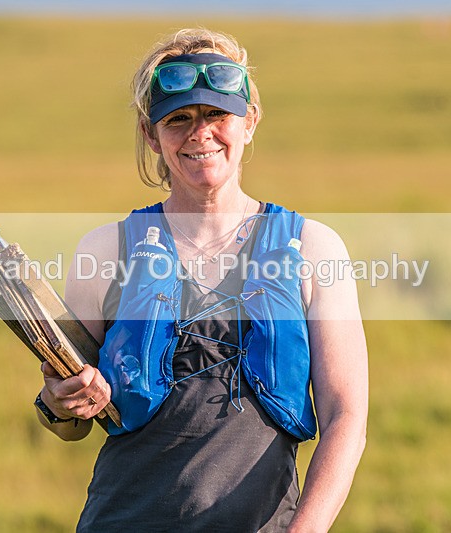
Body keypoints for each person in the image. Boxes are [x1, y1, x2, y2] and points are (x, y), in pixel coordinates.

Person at [33, 28, 368, 532]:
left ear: (250, 121)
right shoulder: (105, 251)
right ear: (151, 134)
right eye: (178, 119)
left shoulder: (313, 249)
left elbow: (346, 418)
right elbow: (69, 420)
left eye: (217, 114)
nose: (200, 133)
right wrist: (59, 403)